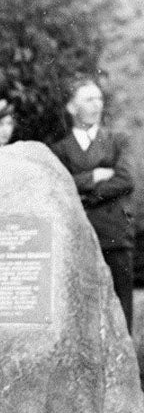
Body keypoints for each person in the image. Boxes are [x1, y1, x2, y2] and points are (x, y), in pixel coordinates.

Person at [50, 78, 134, 330]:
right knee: (81, 310)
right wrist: (93, 176)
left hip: (114, 235)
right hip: (78, 235)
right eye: (89, 99)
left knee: (120, 308)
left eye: (99, 98)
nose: (97, 105)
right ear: (72, 108)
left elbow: (125, 179)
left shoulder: (118, 141)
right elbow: (58, 186)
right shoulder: (60, 150)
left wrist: (86, 196)